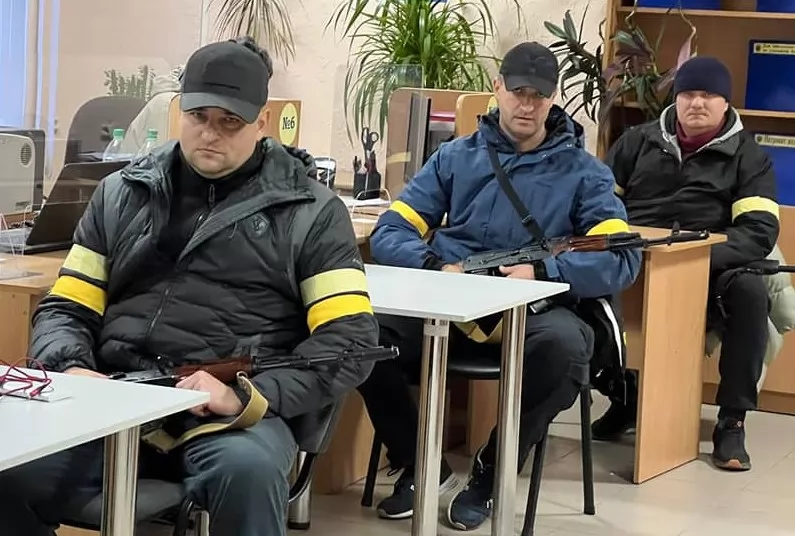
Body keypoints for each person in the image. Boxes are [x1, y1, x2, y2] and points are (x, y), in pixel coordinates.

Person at [0, 37, 378, 536]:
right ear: (180, 110)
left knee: (248, 473)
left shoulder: (313, 213)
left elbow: (349, 342)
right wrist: (72, 368)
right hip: (115, 399)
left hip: (229, 416)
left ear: (262, 122)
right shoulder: (120, 194)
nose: (210, 133)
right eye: (199, 116)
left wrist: (245, 396)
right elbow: (66, 307)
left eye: (230, 121)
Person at [358, 41, 642, 531]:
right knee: (358, 333)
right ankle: (419, 464)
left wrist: (544, 274)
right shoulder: (454, 157)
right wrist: (434, 266)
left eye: (538, 95)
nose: (527, 105)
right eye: (518, 92)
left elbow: (621, 258)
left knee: (566, 350)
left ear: (553, 98)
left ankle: (493, 470)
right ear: (497, 89)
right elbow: (391, 230)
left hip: (533, 312)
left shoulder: (586, 175)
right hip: (449, 300)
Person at [598, 56, 779, 472]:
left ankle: (732, 421)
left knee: (751, 295)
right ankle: (626, 398)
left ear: (725, 102)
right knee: (576, 286)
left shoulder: (750, 157)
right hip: (636, 258)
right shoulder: (635, 142)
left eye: (708, 95)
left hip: (710, 266)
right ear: (676, 99)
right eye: (688, 94)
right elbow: (598, 205)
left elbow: (758, 231)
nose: (697, 103)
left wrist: (693, 259)